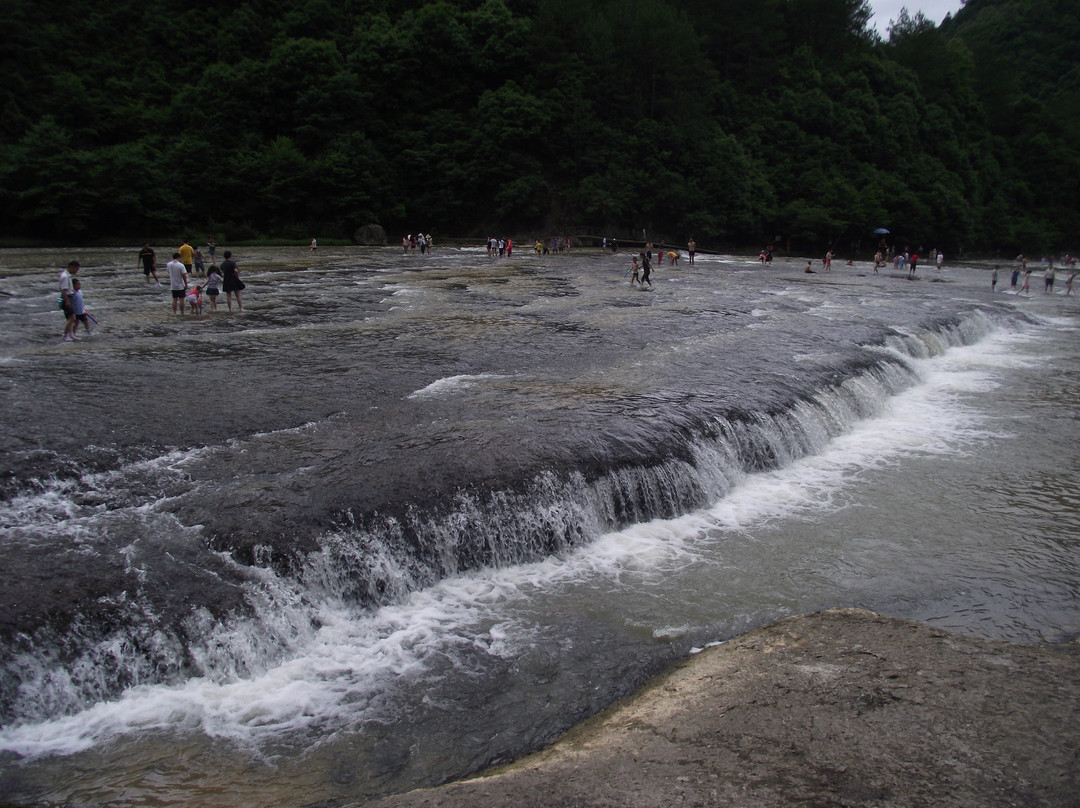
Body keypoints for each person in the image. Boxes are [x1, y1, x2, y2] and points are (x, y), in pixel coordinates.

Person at [59, 260, 80, 341]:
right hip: (67, 298)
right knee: (72, 317)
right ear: (72, 267)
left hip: (69, 296)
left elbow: (67, 288)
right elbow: (63, 290)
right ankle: (65, 335)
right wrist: (67, 301)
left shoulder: (67, 275)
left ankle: (71, 334)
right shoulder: (65, 276)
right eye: (76, 269)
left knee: (70, 317)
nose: (76, 271)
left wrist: (72, 290)